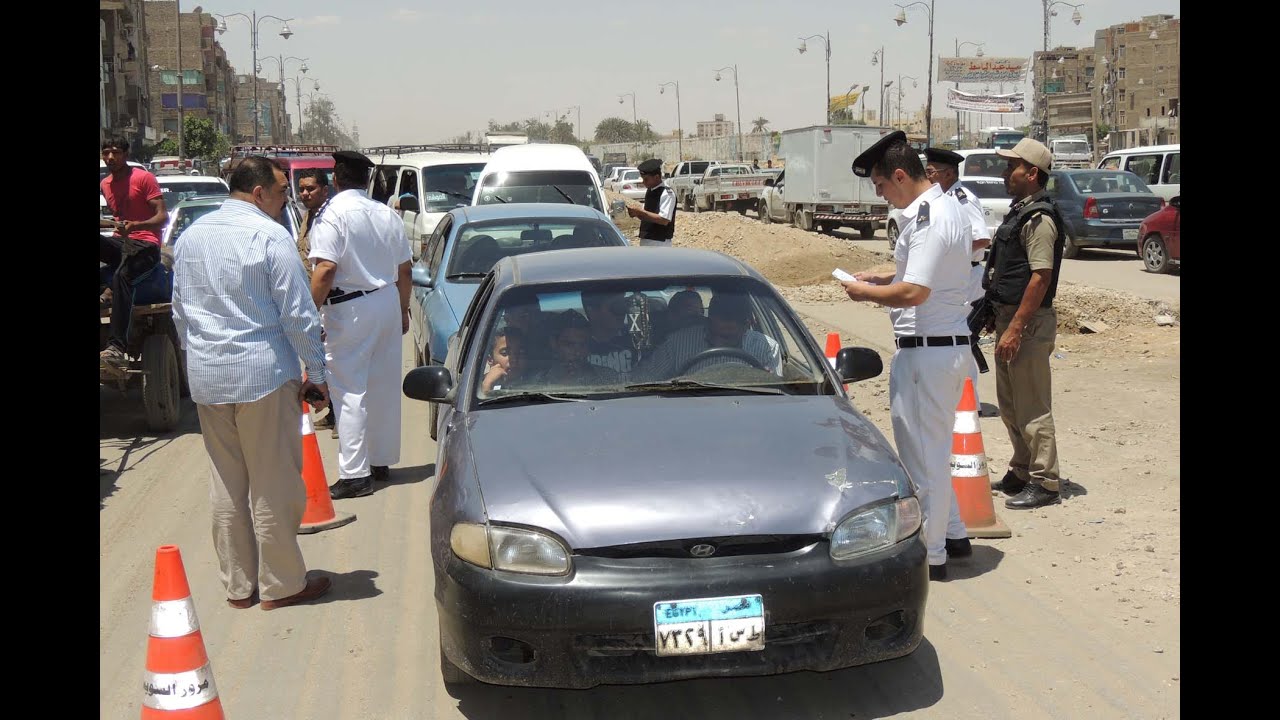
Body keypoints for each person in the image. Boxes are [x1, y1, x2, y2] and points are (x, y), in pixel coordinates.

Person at [170, 155, 333, 611]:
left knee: (226, 482)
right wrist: (316, 375)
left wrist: (197, 358)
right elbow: (299, 315)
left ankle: (239, 586)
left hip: (208, 376)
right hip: (261, 376)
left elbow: (180, 311)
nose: (287, 201)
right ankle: (282, 584)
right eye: (282, 192)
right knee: (273, 482)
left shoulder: (191, 237)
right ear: (258, 192)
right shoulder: (270, 236)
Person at [841, 131, 975, 581]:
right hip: (939, 351)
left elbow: (916, 291)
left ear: (900, 175)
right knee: (933, 454)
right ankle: (952, 535)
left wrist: (865, 294)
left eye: (881, 186)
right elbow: (922, 271)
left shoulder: (931, 218)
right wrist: (882, 276)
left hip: (928, 354)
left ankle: (931, 557)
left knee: (923, 461)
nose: (881, 196)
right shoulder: (940, 210)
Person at [308, 150, 413, 500]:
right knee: (382, 386)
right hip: (386, 300)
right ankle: (379, 462)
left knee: (349, 390)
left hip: (350, 307)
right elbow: (405, 271)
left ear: (335, 179)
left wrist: (308, 312)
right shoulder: (387, 214)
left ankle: (355, 474)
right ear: (365, 181)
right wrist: (402, 309)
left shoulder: (332, 215)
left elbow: (325, 269)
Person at [983, 138, 1066, 510]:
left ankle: (1045, 481)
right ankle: (1021, 469)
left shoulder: (1040, 218)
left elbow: (1040, 278)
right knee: (1011, 403)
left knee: (1032, 404)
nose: (1005, 172)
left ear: (1031, 173)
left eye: (1012, 166)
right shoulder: (1021, 211)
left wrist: (1016, 326)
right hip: (1010, 318)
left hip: (1028, 323)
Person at [924, 147, 995, 413]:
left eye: (931, 172)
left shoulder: (962, 198)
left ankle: (968, 402)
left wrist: (950, 254)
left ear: (949, 173)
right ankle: (960, 399)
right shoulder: (943, 199)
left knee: (961, 337)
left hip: (967, 275)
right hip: (956, 274)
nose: (928, 177)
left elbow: (982, 238)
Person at [99, 137, 169, 368]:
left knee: (122, 277)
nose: (110, 157)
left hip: (146, 246)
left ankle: (116, 346)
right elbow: (118, 223)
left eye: (116, 152)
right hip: (122, 245)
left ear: (126, 154)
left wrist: (136, 226)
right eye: (106, 152)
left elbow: (162, 218)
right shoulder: (105, 184)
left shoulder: (143, 178)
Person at [635, 292, 781, 380]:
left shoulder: (765, 348)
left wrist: (764, 378)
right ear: (707, 321)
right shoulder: (677, 343)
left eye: (727, 337)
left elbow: (777, 396)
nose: (718, 342)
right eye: (715, 334)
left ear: (746, 326)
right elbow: (644, 379)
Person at [295, 168, 337, 432]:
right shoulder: (308, 217)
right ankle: (333, 412)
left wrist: (314, 306)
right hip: (312, 295)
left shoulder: (328, 219)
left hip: (326, 299)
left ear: (325, 189)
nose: (304, 193)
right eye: (301, 189)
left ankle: (340, 417)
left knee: (332, 360)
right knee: (322, 357)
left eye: (310, 188)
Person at [535, 311, 621, 386]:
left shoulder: (608, 378)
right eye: (569, 345)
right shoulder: (537, 382)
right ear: (554, 343)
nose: (577, 352)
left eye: (583, 345)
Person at [581, 289, 640, 375]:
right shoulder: (577, 344)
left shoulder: (636, 339)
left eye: (623, 305)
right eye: (616, 306)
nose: (622, 311)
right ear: (592, 311)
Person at [625, 158, 677, 247]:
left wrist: (641, 212)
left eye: (646, 179)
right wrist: (636, 213)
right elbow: (648, 214)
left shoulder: (667, 193)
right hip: (647, 239)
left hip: (659, 242)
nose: (643, 182)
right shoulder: (651, 190)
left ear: (656, 177)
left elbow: (664, 220)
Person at [481, 325, 529, 394]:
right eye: (505, 353)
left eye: (521, 352)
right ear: (490, 359)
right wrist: (486, 386)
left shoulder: (539, 383)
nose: (514, 359)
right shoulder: (476, 386)